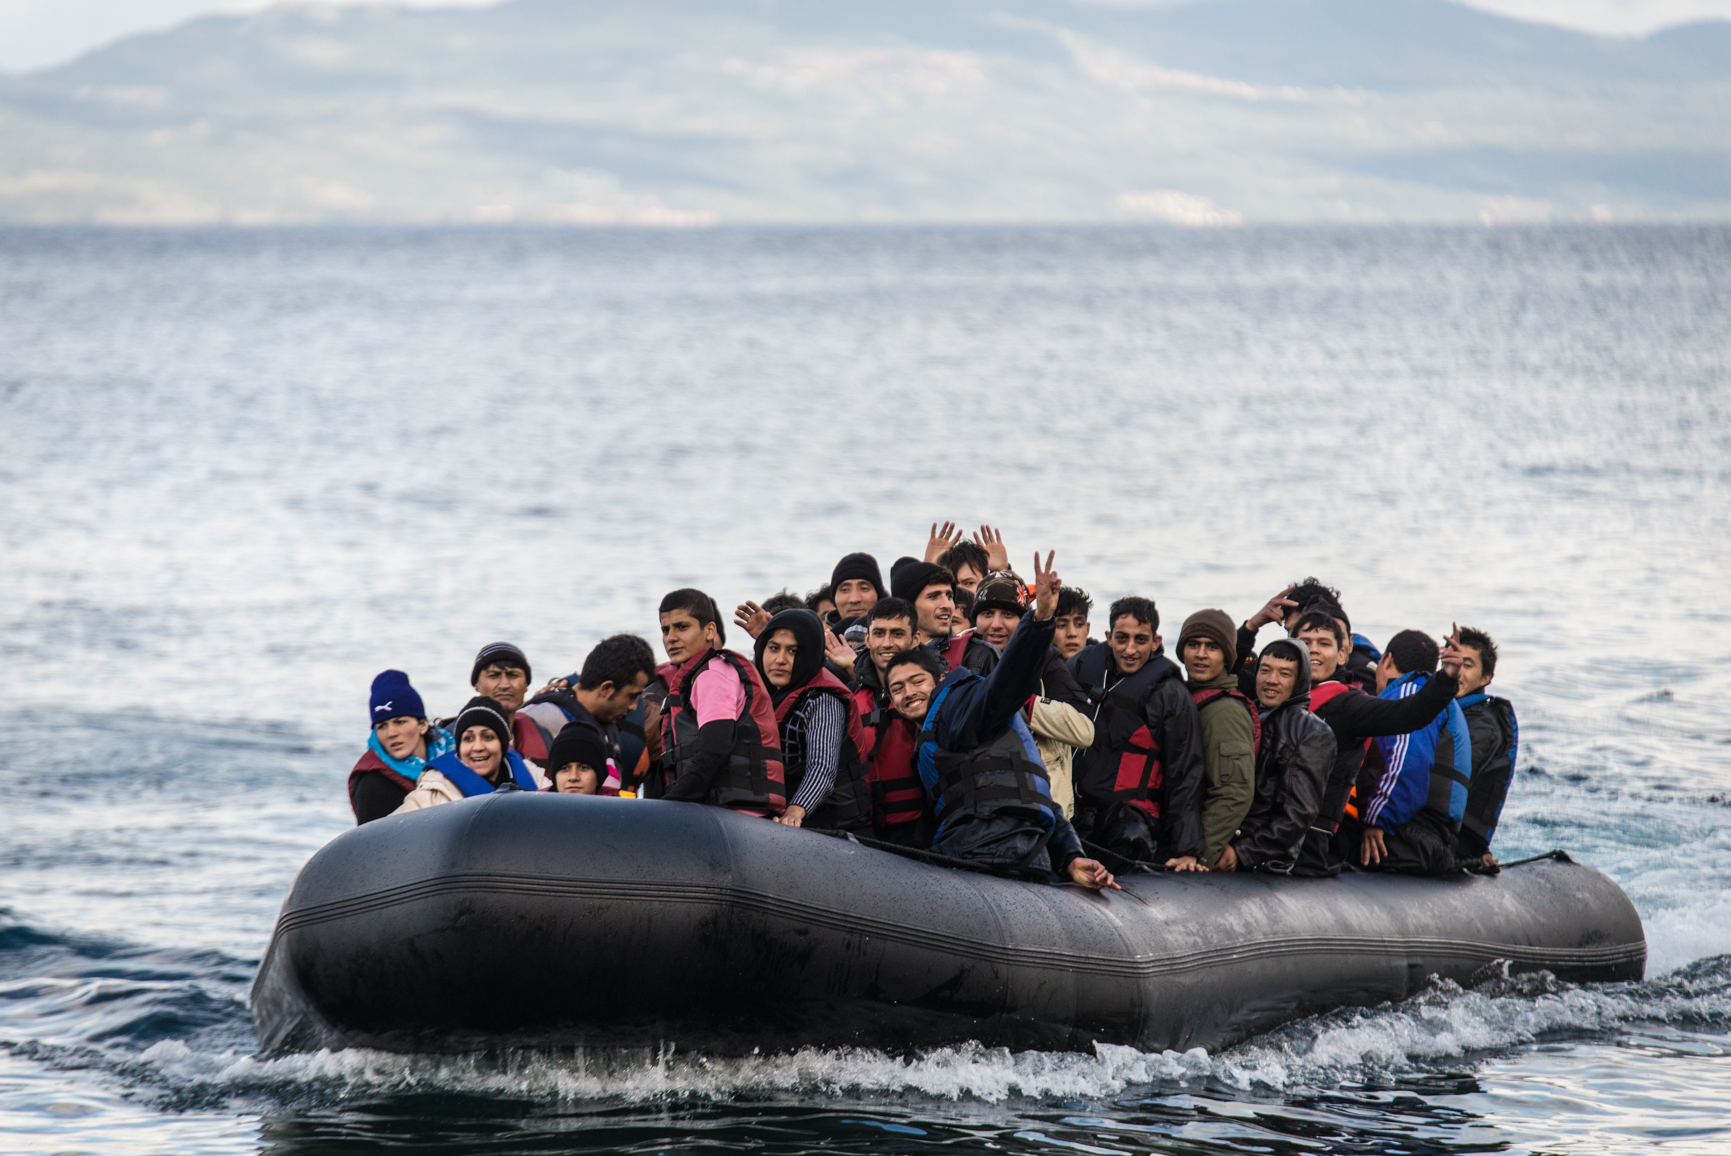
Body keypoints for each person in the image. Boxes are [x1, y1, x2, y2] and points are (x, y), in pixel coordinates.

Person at [885, 551, 1117, 890]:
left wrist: (1040, 619)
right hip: (1016, 853)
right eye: (897, 688)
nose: (909, 692)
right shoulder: (934, 738)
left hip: (986, 857)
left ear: (938, 681)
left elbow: (1007, 683)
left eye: (917, 681)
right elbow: (1039, 800)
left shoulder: (960, 703)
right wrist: (1070, 857)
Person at [1280, 609, 1462, 874]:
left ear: (1342, 655)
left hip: (1312, 843)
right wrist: (1251, 628)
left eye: (1324, 644)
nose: (1314, 650)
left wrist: (1445, 680)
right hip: (1270, 832)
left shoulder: (1350, 706)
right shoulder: (1272, 697)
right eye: (1305, 642)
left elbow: (1405, 715)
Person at [1069, 596, 1207, 870]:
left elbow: (1186, 771)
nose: (1130, 649)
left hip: (1129, 815)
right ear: (1108, 637)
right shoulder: (1083, 665)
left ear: (1155, 642)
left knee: (1130, 835)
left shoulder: (1170, 694)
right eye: (1122, 639)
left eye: (1140, 640)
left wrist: (1187, 849)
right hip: (1076, 805)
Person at [651, 588, 787, 815]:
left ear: (710, 631)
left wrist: (670, 804)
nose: (671, 638)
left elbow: (716, 745)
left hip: (734, 817)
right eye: (666, 630)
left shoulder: (712, 675)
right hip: (725, 813)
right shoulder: (702, 674)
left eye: (682, 627)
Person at [1354, 630, 1474, 876]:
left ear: (1386, 661)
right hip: (1433, 835)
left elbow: (1408, 762)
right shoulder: (1433, 696)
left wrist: (1378, 820)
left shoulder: (1409, 692)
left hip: (1409, 834)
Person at [1216, 639, 1336, 874]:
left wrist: (1243, 852)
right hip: (1228, 843)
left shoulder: (1311, 731)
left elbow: (1298, 813)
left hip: (1268, 862)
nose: (1272, 680)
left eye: (1284, 673)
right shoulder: (1247, 714)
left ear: (1300, 680)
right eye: (1265, 670)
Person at [754, 608, 872, 832]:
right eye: (773, 648)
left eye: (792, 651)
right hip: (781, 819)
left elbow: (822, 768)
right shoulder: (762, 693)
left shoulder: (823, 699)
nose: (780, 660)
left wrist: (795, 811)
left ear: (809, 655)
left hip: (832, 824)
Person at [1175, 610, 1260, 869]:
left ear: (1227, 656)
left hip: (1196, 854)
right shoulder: (1187, 699)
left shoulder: (1225, 713)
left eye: (1212, 647)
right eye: (1193, 645)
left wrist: (1201, 858)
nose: (1201, 654)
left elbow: (1233, 793)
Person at [520, 634, 657, 791]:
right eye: (631, 696)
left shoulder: (608, 723)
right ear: (606, 689)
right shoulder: (539, 719)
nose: (634, 707)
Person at [848, 597, 933, 846]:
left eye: (897, 634)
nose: (887, 643)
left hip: (925, 827)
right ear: (867, 640)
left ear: (915, 639)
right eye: (879, 634)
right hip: (868, 830)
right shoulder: (852, 696)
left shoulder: (935, 689)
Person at [1446, 625, 1517, 866]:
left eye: (1467, 665)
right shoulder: (1443, 709)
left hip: (1456, 839)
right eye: (1453, 661)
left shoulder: (1481, 726)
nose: (1457, 671)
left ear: (1485, 678)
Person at [394, 696, 541, 811]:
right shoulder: (433, 793)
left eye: (488, 737)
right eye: (468, 739)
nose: (477, 747)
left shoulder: (535, 776)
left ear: (503, 745)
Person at [349, 670, 454, 823]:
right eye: (382, 726)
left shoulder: (454, 755)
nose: (391, 733)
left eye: (400, 722)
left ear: (423, 725)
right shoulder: (372, 786)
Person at [465, 642, 553, 772]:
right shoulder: (454, 739)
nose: (504, 685)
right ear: (476, 684)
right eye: (494, 675)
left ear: (526, 685)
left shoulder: (544, 736)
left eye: (513, 675)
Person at [890, 560, 960, 650]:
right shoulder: (879, 655)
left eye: (949, 596)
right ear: (908, 606)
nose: (946, 605)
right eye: (933, 596)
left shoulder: (972, 654)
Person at [546, 723, 612, 795]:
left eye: (584, 768)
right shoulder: (534, 805)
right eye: (564, 768)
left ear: (599, 777)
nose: (573, 777)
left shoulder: (621, 805)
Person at [827, 553, 884, 625]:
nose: (855, 599)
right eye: (845, 590)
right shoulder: (818, 635)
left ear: (878, 596)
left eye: (864, 588)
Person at [1052, 586, 1094, 660]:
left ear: (1087, 629)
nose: (1072, 633)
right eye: (1062, 625)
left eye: (1079, 624)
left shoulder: (1104, 668)